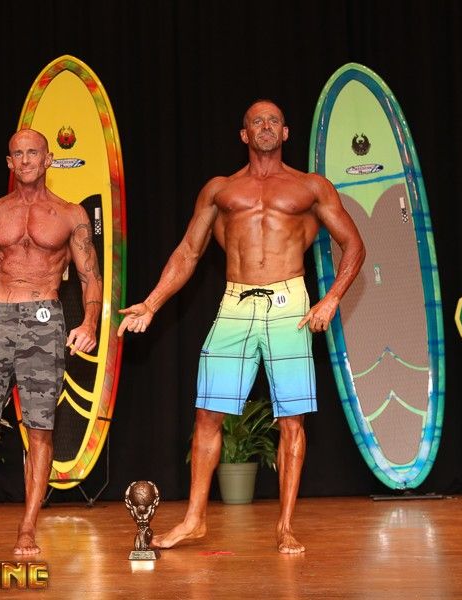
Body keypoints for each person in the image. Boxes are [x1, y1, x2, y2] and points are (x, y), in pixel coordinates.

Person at [118, 100, 365, 554]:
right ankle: (194, 519)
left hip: (290, 303)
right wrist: (151, 303)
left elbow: (354, 244)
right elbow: (188, 252)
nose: (265, 126)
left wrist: (331, 299)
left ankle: (285, 526)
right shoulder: (220, 190)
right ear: (244, 134)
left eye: (274, 121)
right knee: (207, 412)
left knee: (292, 418)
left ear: (285, 132)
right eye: (257, 121)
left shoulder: (310, 187)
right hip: (235, 301)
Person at [0, 128, 102, 555]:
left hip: (44, 321)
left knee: (40, 429)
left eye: (33, 153)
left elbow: (91, 276)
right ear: (9, 163)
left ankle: (27, 528)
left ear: (48, 160)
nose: (26, 160)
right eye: (18, 154)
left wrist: (89, 324)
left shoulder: (70, 215)